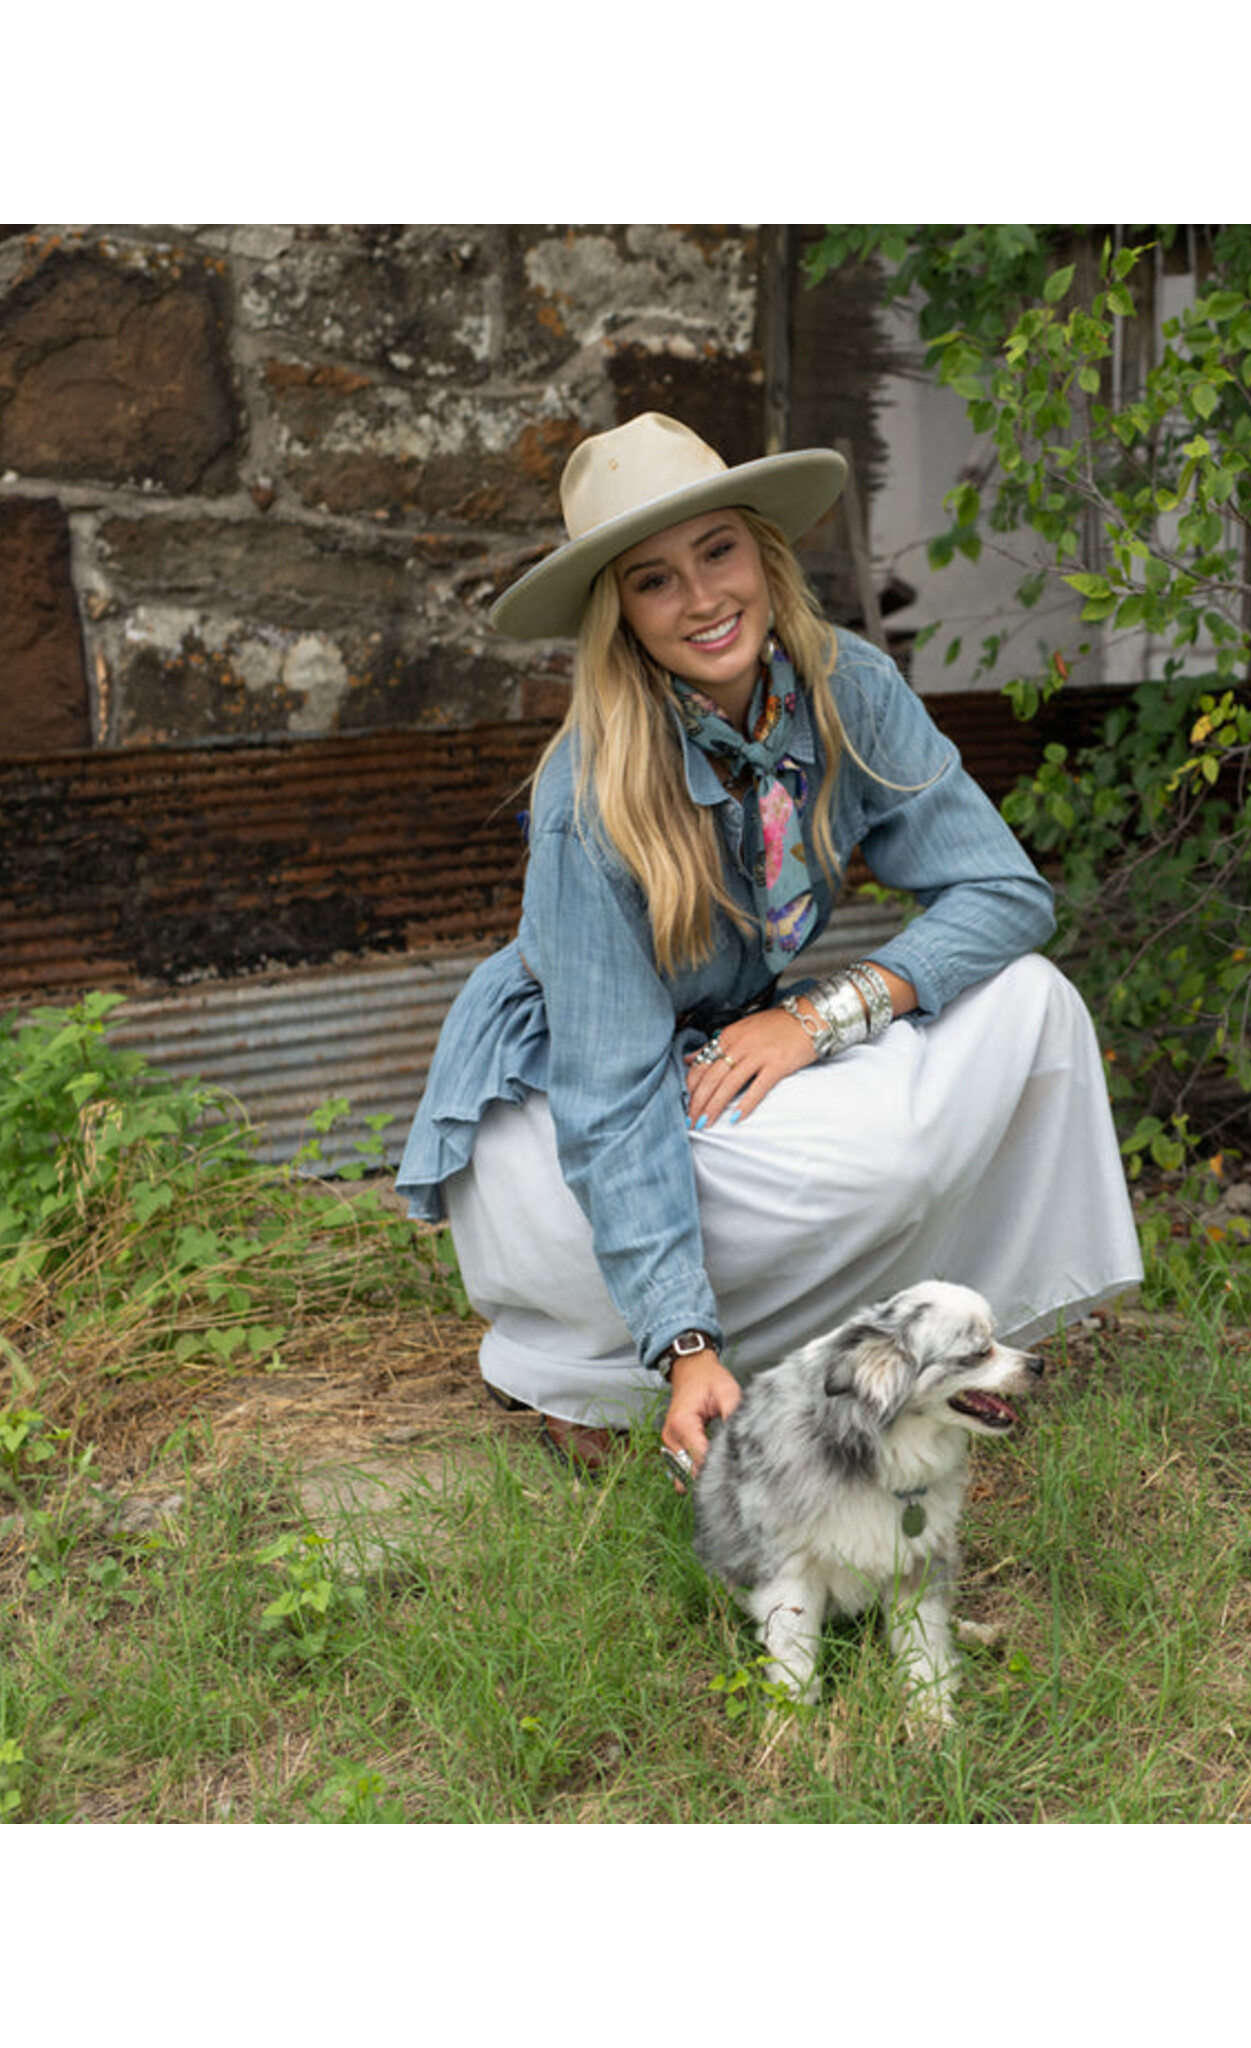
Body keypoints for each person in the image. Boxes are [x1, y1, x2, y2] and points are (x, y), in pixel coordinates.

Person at [396, 412, 1142, 1475]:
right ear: (620, 617)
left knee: (1031, 1000)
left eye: (717, 551)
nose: (702, 599)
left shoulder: (845, 688)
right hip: (566, 1111)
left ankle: (949, 1334)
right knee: (872, 1161)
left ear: (763, 550)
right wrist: (683, 1341)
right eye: (654, 580)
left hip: (723, 1055)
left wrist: (821, 1014)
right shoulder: (591, 790)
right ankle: (639, 1366)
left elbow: (1002, 891)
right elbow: (609, 1095)